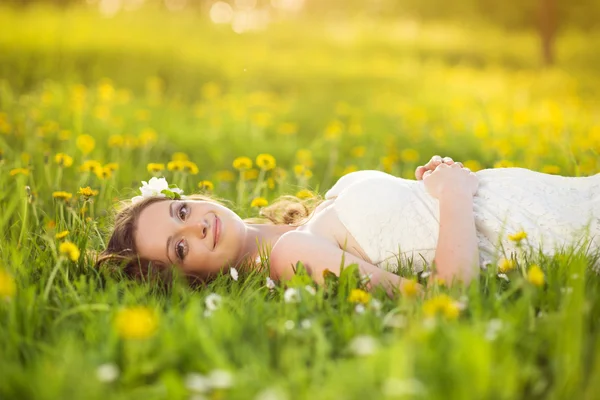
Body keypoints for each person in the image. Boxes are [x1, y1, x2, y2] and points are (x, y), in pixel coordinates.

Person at [96, 156, 600, 296]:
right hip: (551, 232)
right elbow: (449, 298)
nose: (196, 229)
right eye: (179, 250)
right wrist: (452, 197)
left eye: (181, 214)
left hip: (553, 199)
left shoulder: (303, 224)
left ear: (193, 199)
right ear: (193, 279)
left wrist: (431, 182)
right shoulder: (291, 256)